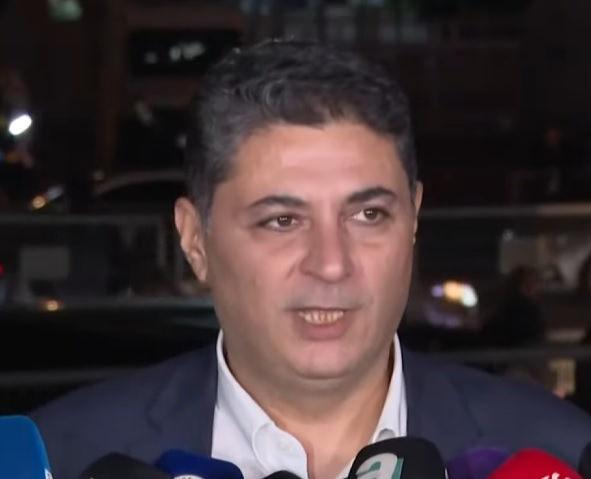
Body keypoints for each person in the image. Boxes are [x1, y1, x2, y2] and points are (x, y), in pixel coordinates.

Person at [31, 40, 591, 479]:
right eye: (282, 221)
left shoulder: (561, 450)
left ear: (414, 218)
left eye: (368, 215)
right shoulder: (60, 457)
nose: (331, 264)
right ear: (195, 240)